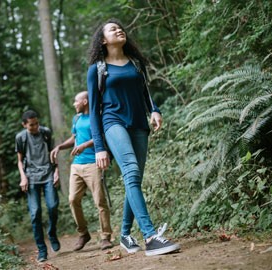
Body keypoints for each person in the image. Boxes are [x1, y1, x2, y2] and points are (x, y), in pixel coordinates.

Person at [86, 18, 181, 256]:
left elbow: (145, 93)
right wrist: (99, 147)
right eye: (112, 29)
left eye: (120, 27)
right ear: (103, 40)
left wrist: (155, 110)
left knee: (134, 179)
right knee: (130, 170)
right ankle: (150, 237)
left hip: (139, 123)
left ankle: (125, 235)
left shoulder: (136, 64)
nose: (119, 29)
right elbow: (94, 111)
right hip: (113, 122)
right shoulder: (97, 69)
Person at [50, 91, 114, 252]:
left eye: (76, 101)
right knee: (72, 199)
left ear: (85, 101)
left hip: (93, 163)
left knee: (99, 200)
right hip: (76, 165)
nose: (74, 104)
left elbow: (102, 135)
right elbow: (74, 138)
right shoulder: (76, 118)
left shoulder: (96, 116)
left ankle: (105, 237)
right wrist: (60, 147)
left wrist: (85, 145)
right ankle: (83, 233)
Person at [15, 110, 60, 262]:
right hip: (31, 178)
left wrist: (57, 172)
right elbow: (20, 160)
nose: (35, 127)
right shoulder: (21, 138)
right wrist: (23, 177)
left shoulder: (46, 132)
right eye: (31, 125)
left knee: (53, 206)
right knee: (35, 213)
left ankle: (52, 233)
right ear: (24, 125)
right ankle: (42, 250)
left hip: (48, 174)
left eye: (36, 123)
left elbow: (53, 153)